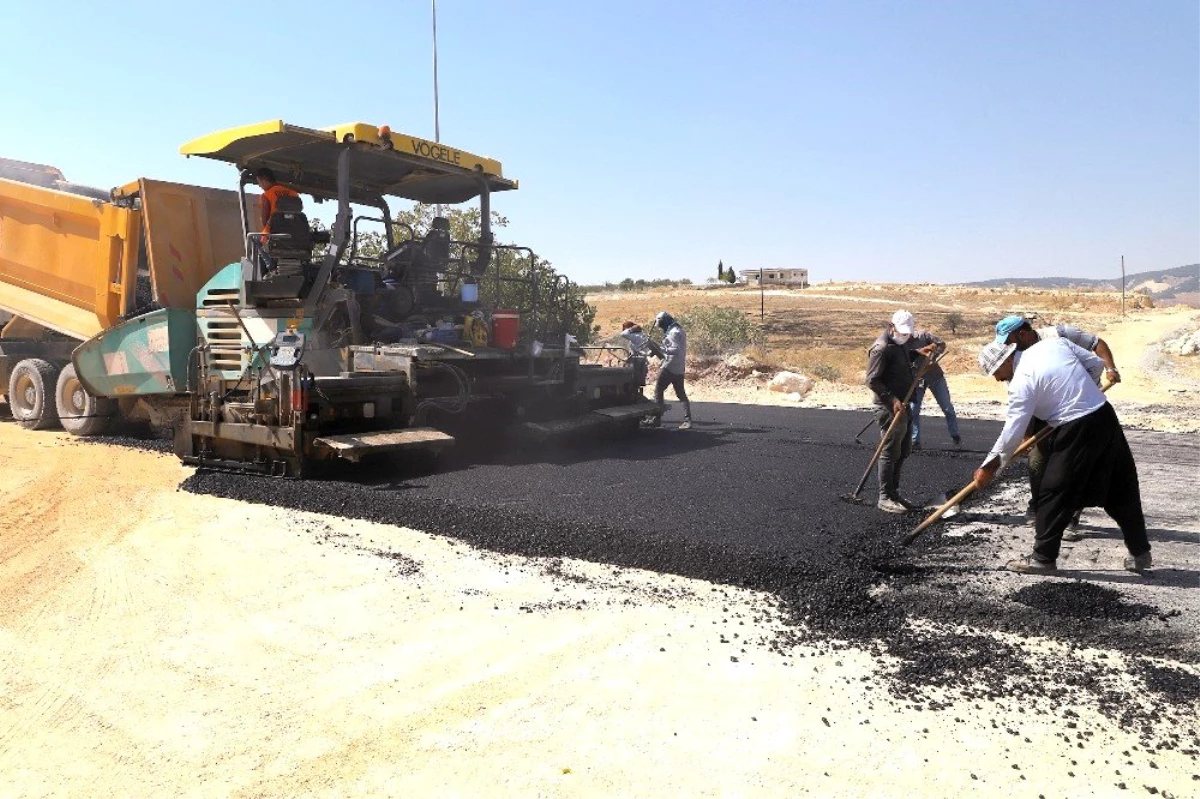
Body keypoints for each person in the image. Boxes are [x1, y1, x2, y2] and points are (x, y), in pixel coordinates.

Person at [973, 338, 1151, 575]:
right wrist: (1079, 393)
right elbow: (1096, 365)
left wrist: (990, 467)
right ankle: (1140, 554)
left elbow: (1014, 429)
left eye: (996, 372)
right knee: (1120, 487)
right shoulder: (1052, 345)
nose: (997, 378)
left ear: (1006, 359)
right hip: (1104, 416)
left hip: (1076, 428)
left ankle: (1043, 559)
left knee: (1054, 491)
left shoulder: (1022, 383)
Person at [995, 315, 1120, 532]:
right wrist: (1026, 433)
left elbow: (1098, 345)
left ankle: (1071, 515)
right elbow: (1020, 401)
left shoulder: (1059, 335)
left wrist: (1110, 369)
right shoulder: (1012, 357)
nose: (1006, 346)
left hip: (1079, 409)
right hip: (1043, 408)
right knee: (1037, 459)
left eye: (1009, 340)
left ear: (1022, 334)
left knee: (1076, 463)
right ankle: (1037, 506)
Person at [866, 310, 936, 513]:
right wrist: (892, 399)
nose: (904, 337)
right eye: (901, 333)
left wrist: (917, 353)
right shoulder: (881, 348)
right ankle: (885, 497)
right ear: (891, 326)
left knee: (904, 450)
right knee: (890, 450)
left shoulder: (901, 343)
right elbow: (872, 380)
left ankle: (894, 493)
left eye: (908, 334)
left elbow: (900, 359)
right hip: (889, 407)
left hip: (904, 404)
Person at [901, 318, 961, 450]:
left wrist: (933, 356)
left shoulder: (924, 335)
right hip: (917, 381)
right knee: (913, 411)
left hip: (935, 377)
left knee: (947, 408)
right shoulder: (902, 344)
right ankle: (915, 441)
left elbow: (941, 344)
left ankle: (955, 435)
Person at [650, 312, 691, 430]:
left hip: (670, 367)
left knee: (658, 391)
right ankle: (688, 420)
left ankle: (656, 419)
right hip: (679, 367)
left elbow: (675, 350)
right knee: (681, 394)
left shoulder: (673, 333)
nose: (660, 327)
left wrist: (661, 349)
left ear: (664, 322)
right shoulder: (679, 330)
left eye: (660, 324)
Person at [255, 167, 301, 240]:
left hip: (272, 236)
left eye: (259, 182)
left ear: (265, 179)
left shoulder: (266, 195)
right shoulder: (293, 193)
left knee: (255, 241)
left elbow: (264, 219)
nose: (259, 185)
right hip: (293, 235)